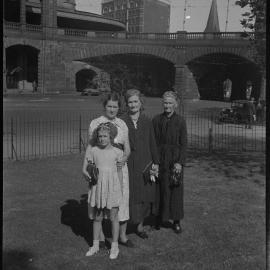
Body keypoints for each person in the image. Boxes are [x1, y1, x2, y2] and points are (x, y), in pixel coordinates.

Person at [82, 92, 133, 249]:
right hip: (101, 168)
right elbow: (91, 148)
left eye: (115, 106)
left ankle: (120, 237)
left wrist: (124, 158)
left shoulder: (122, 124)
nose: (112, 109)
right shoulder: (95, 123)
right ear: (105, 107)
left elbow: (128, 148)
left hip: (119, 168)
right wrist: (86, 168)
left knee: (118, 202)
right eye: (109, 106)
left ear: (119, 108)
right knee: (100, 202)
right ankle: (102, 238)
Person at [121, 89, 159, 239]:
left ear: (140, 103)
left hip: (145, 163)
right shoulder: (122, 121)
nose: (133, 104)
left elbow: (153, 143)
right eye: (130, 102)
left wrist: (156, 163)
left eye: (135, 101)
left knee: (144, 195)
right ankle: (123, 231)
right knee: (129, 195)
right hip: (129, 164)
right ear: (126, 104)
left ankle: (140, 226)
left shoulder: (147, 121)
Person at [84, 122, 123, 259]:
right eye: (99, 136)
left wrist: (120, 191)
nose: (102, 139)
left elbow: (119, 173)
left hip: (112, 188)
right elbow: (90, 170)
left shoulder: (117, 152)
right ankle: (95, 245)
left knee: (113, 217)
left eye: (105, 136)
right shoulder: (93, 151)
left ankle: (114, 247)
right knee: (97, 217)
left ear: (111, 136)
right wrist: (89, 179)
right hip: (98, 188)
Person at [152, 91, 187, 234]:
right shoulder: (156, 120)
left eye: (170, 103)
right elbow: (153, 142)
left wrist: (180, 162)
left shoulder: (180, 121)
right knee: (160, 189)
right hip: (161, 159)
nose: (167, 106)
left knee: (175, 190)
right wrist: (155, 161)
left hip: (174, 160)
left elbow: (183, 144)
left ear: (175, 104)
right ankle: (160, 218)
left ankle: (176, 221)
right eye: (165, 103)